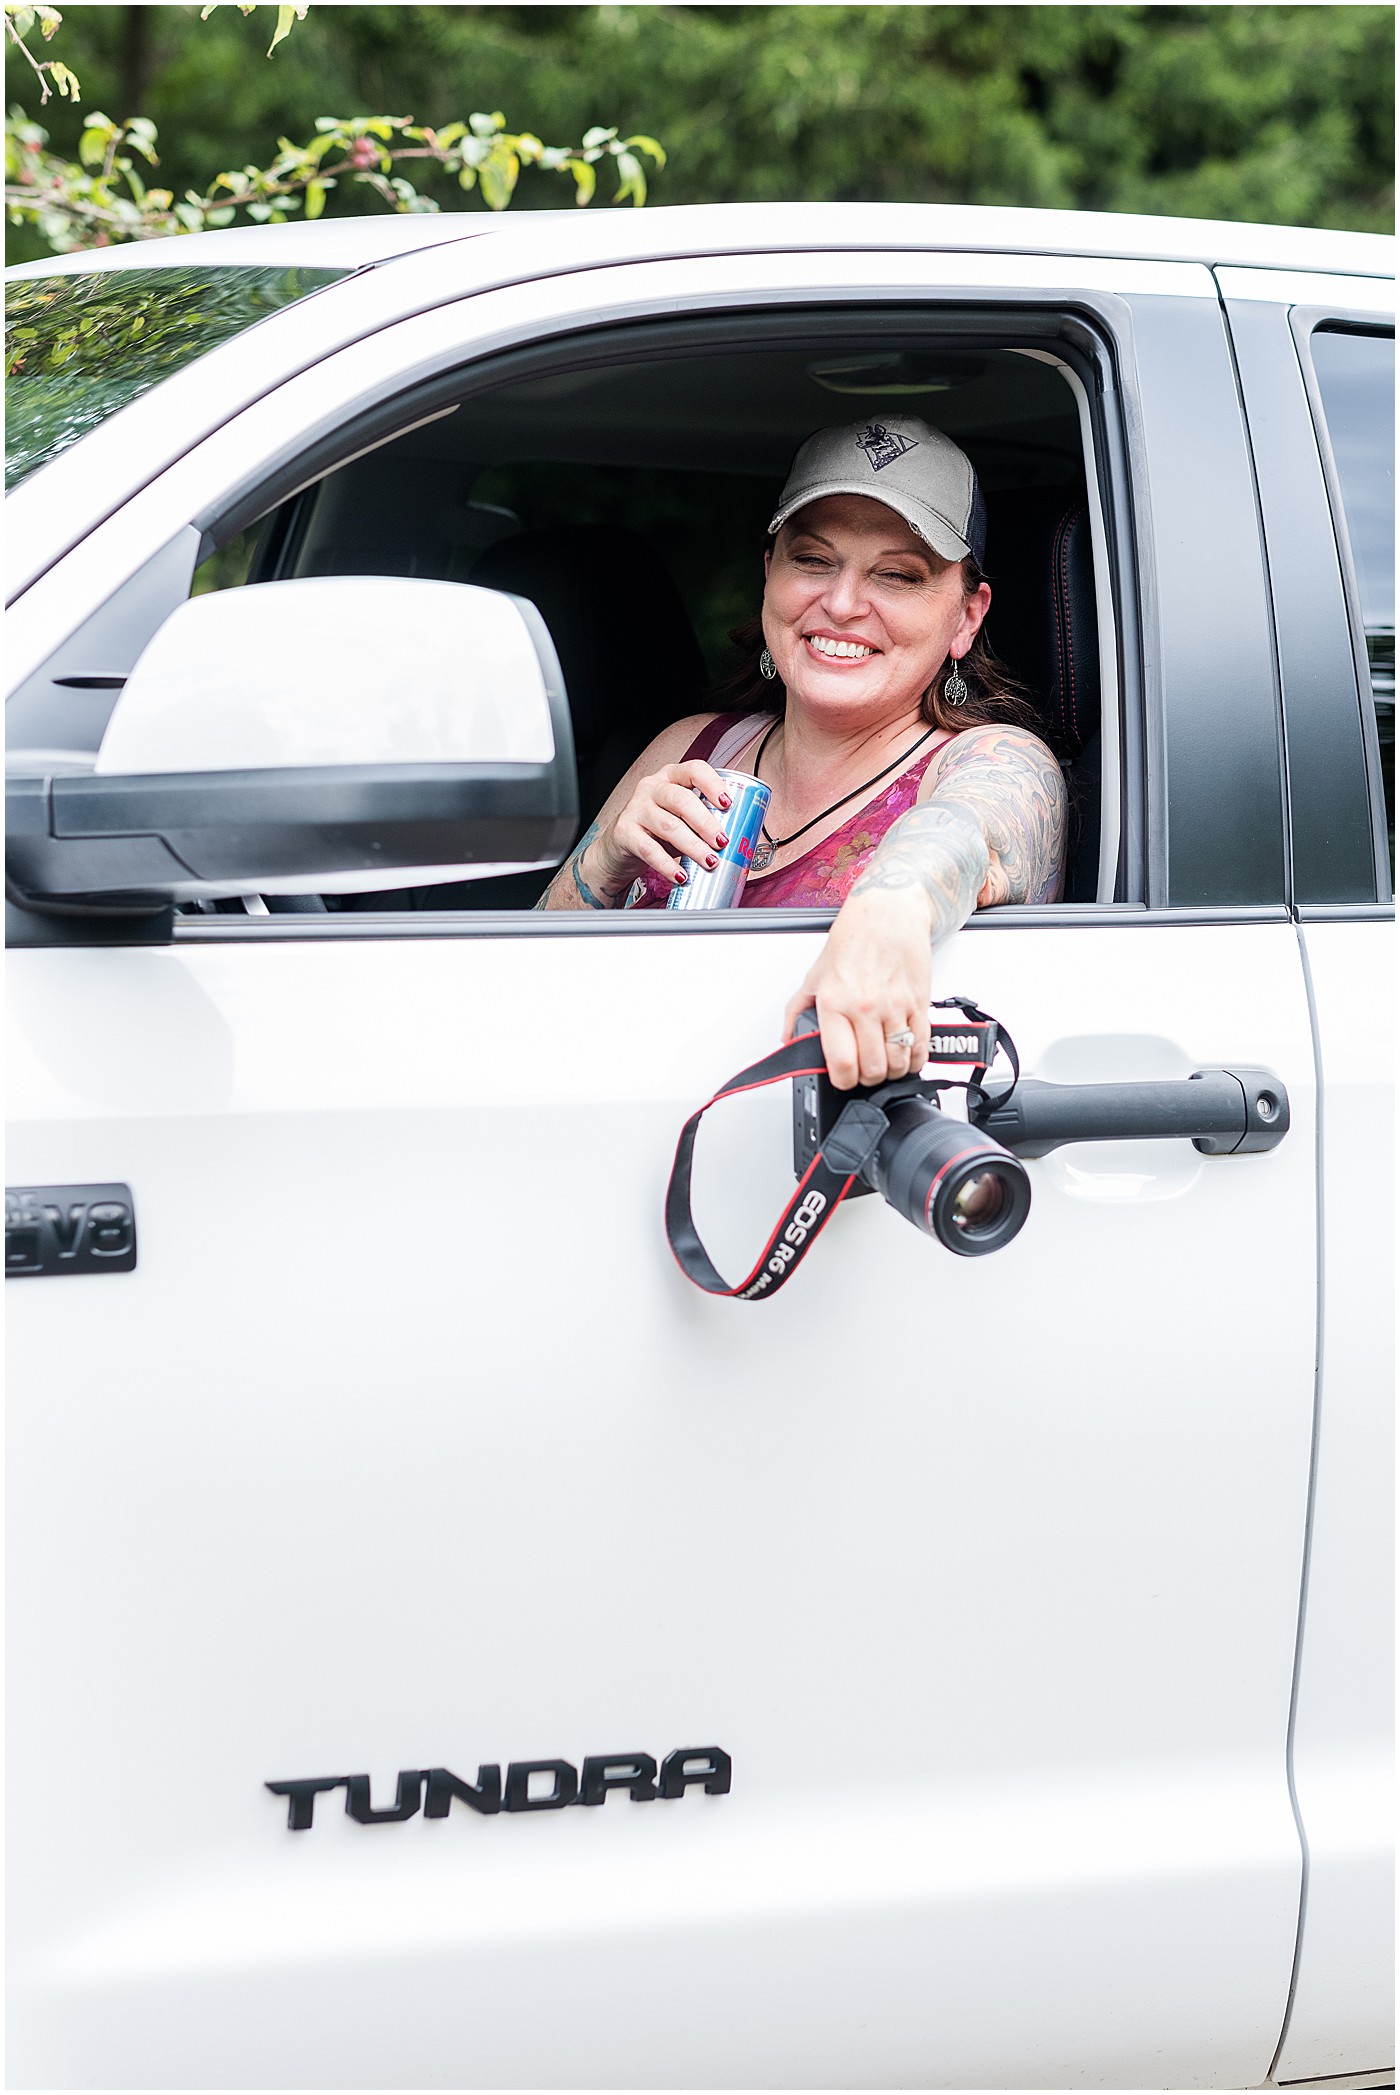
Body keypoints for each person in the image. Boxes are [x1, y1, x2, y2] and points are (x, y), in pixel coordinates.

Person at [538, 416, 1067, 1090]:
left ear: (967, 616)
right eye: (813, 559)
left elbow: (971, 830)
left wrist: (888, 912)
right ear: (770, 574)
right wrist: (605, 861)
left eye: (899, 576)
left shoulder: (994, 759)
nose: (842, 603)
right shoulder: (688, 745)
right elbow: (524, 986)